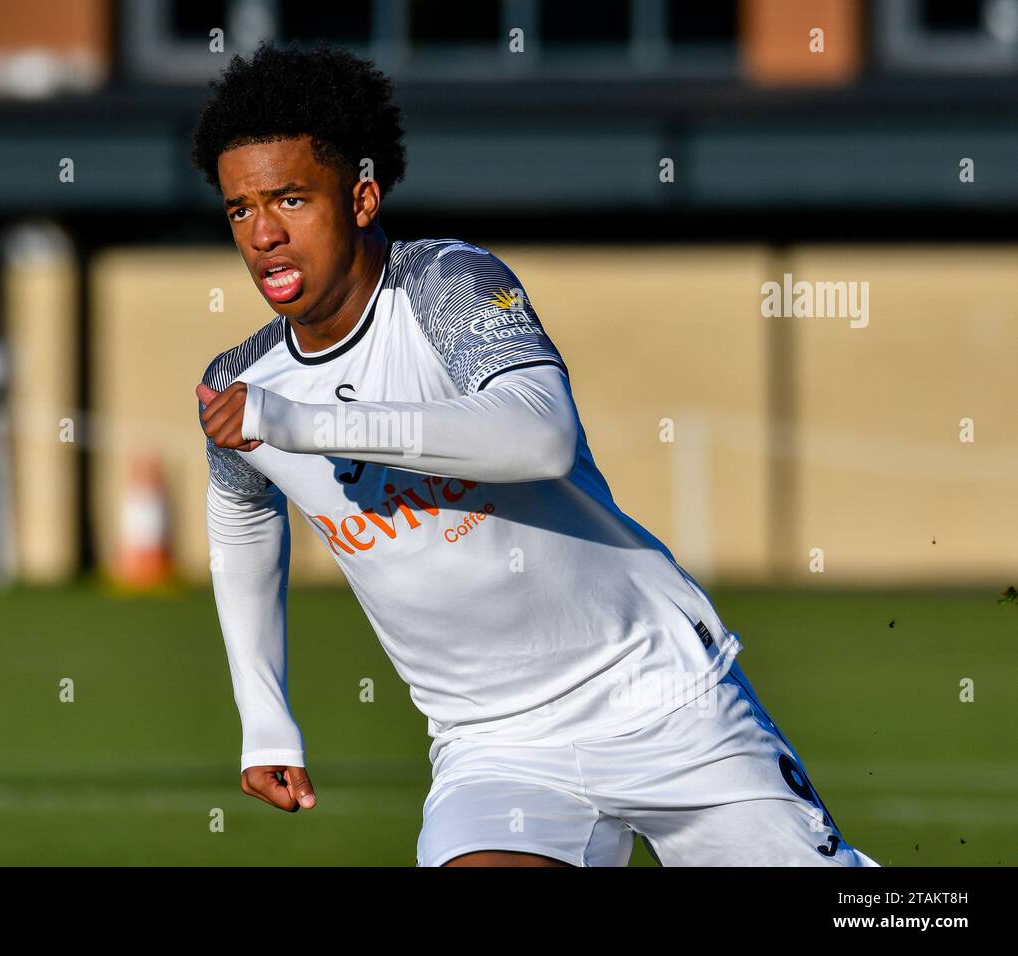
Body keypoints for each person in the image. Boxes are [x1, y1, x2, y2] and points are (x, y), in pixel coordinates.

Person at [192, 40, 877, 867]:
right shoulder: (239, 384)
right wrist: (264, 720)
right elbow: (241, 519)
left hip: (659, 696)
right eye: (240, 210)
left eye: (292, 199)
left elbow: (539, 435)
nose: (264, 234)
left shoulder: (447, 283)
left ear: (363, 196)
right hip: (495, 747)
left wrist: (306, 423)